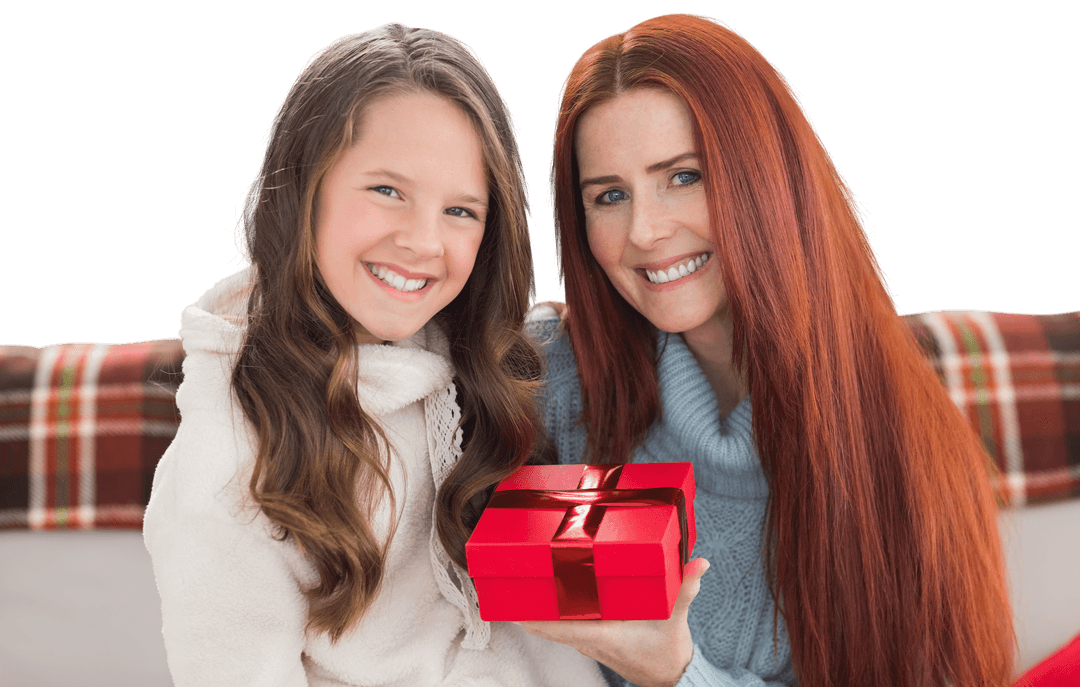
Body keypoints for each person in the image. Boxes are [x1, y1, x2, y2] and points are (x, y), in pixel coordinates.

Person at [520, 13, 1015, 687]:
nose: (644, 229)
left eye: (683, 176)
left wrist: (679, 673)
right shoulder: (560, 378)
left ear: (767, 179)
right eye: (609, 195)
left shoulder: (904, 457)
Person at [142, 23, 608, 687]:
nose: (422, 240)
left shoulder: (483, 361)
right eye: (388, 190)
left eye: (461, 210)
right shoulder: (227, 470)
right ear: (306, 188)